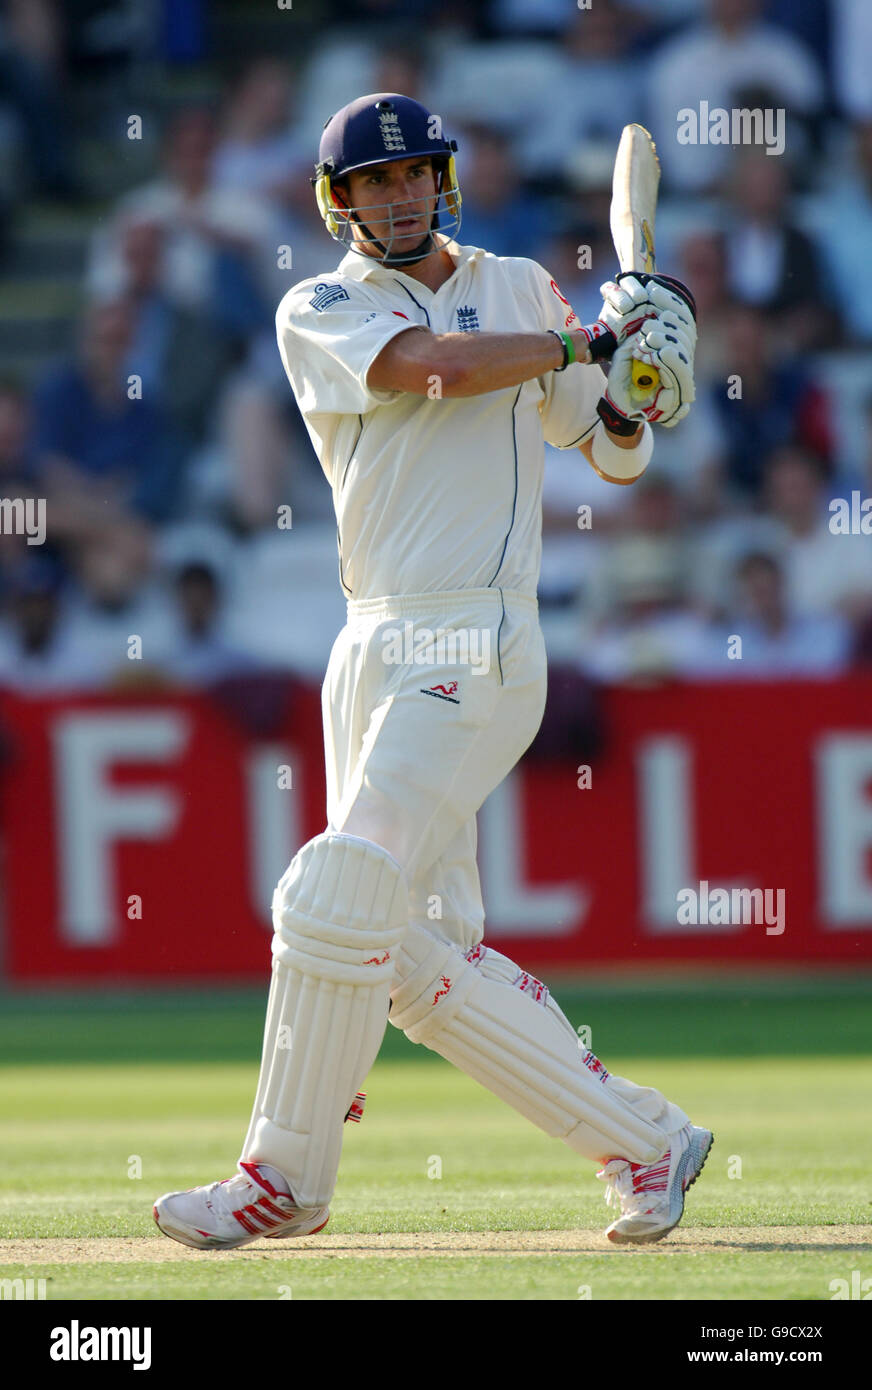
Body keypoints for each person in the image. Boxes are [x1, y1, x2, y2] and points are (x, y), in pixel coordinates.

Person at [154, 93, 710, 1250]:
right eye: (374, 182)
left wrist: (645, 375)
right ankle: (644, 1139)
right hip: (372, 639)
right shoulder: (319, 305)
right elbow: (432, 370)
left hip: (480, 635)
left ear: (440, 181)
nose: (399, 196)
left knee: (331, 885)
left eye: (415, 175)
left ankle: (281, 1178)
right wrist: (591, 341)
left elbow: (605, 448)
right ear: (337, 199)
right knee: (407, 955)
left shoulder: (513, 282)